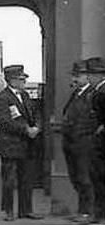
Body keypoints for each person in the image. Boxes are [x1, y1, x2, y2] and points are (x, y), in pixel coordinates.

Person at [0, 64, 43, 221]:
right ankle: (8, 210)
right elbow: (5, 121)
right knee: (10, 179)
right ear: (12, 80)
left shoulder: (25, 96)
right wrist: (26, 129)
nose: (24, 83)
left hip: (27, 144)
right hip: (10, 144)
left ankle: (26, 210)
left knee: (27, 179)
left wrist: (37, 127)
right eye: (21, 80)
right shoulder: (2, 98)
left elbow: (36, 113)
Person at [61, 60, 97, 223]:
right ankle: (82, 211)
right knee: (76, 178)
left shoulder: (93, 95)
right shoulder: (77, 94)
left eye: (78, 76)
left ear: (87, 76)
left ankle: (88, 212)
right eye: (74, 75)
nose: (74, 79)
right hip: (72, 143)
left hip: (85, 144)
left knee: (85, 179)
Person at [84, 57, 105, 223]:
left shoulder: (102, 92)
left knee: (98, 179)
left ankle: (98, 215)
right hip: (97, 141)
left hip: (101, 144)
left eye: (90, 74)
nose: (88, 78)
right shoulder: (98, 91)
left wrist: (101, 127)